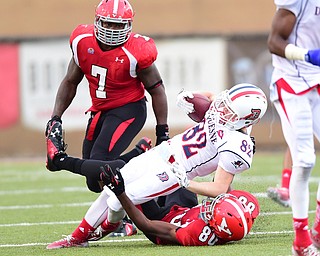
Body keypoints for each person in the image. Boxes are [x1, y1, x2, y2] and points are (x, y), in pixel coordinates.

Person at [45, 83, 267, 249]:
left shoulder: (238, 144)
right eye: (224, 104)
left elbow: (219, 188)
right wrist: (191, 97)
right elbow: (211, 97)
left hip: (172, 172)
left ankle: (104, 227)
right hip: (162, 152)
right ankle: (78, 237)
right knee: (111, 188)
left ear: (246, 119)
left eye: (228, 110)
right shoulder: (227, 108)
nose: (220, 110)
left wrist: (186, 182)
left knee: (121, 196)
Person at [45, 0, 169, 237]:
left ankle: (127, 217)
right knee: (93, 181)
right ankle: (137, 156)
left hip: (129, 109)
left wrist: (162, 131)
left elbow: (157, 89)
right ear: (97, 21)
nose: (112, 30)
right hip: (100, 110)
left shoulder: (136, 51)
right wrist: (55, 117)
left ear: (129, 26)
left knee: (101, 165)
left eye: (117, 25)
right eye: (107, 24)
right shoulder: (82, 42)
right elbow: (71, 80)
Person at [267, 0, 320, 255]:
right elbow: (274, 41)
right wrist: (307, 54)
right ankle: (301, 241)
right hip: (292, 83)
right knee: (306, 160)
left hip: (317, 80)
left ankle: (318, 227)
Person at [99, 164, 260, 246]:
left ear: (216, 225)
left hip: (161, 221)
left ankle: (121, 221)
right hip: (184, 211)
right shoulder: (236, 221)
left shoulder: (196, 233)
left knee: (127, 183)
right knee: (183, 170)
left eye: (213, 209)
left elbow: (147, 225)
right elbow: (223, 190)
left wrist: (120, 192)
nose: (210, 206)